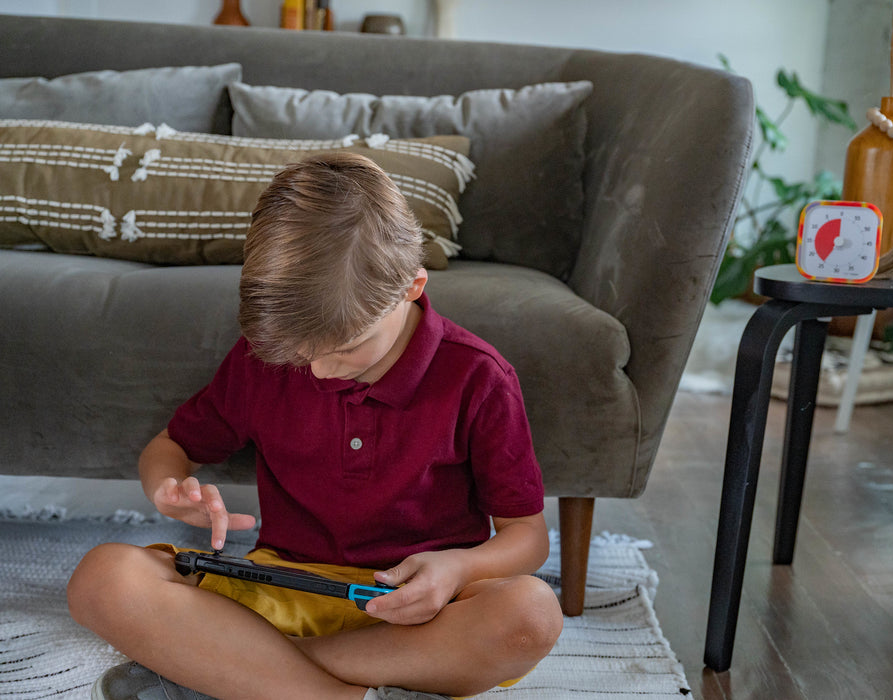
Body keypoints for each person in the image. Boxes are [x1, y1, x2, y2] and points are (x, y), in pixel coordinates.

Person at [67, 152, 564, 700]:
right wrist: (167, 488)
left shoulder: (479, 377)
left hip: (418, 615)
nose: (320, 371)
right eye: (301, 355)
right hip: (278, 590)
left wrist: (458, 568)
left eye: (347, 348)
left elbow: (526, 536)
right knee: (104, 577)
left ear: (412, 287)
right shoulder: (267, 358)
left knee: (531, 614)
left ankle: (235, 673)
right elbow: (171, 448)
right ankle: (329, 693)